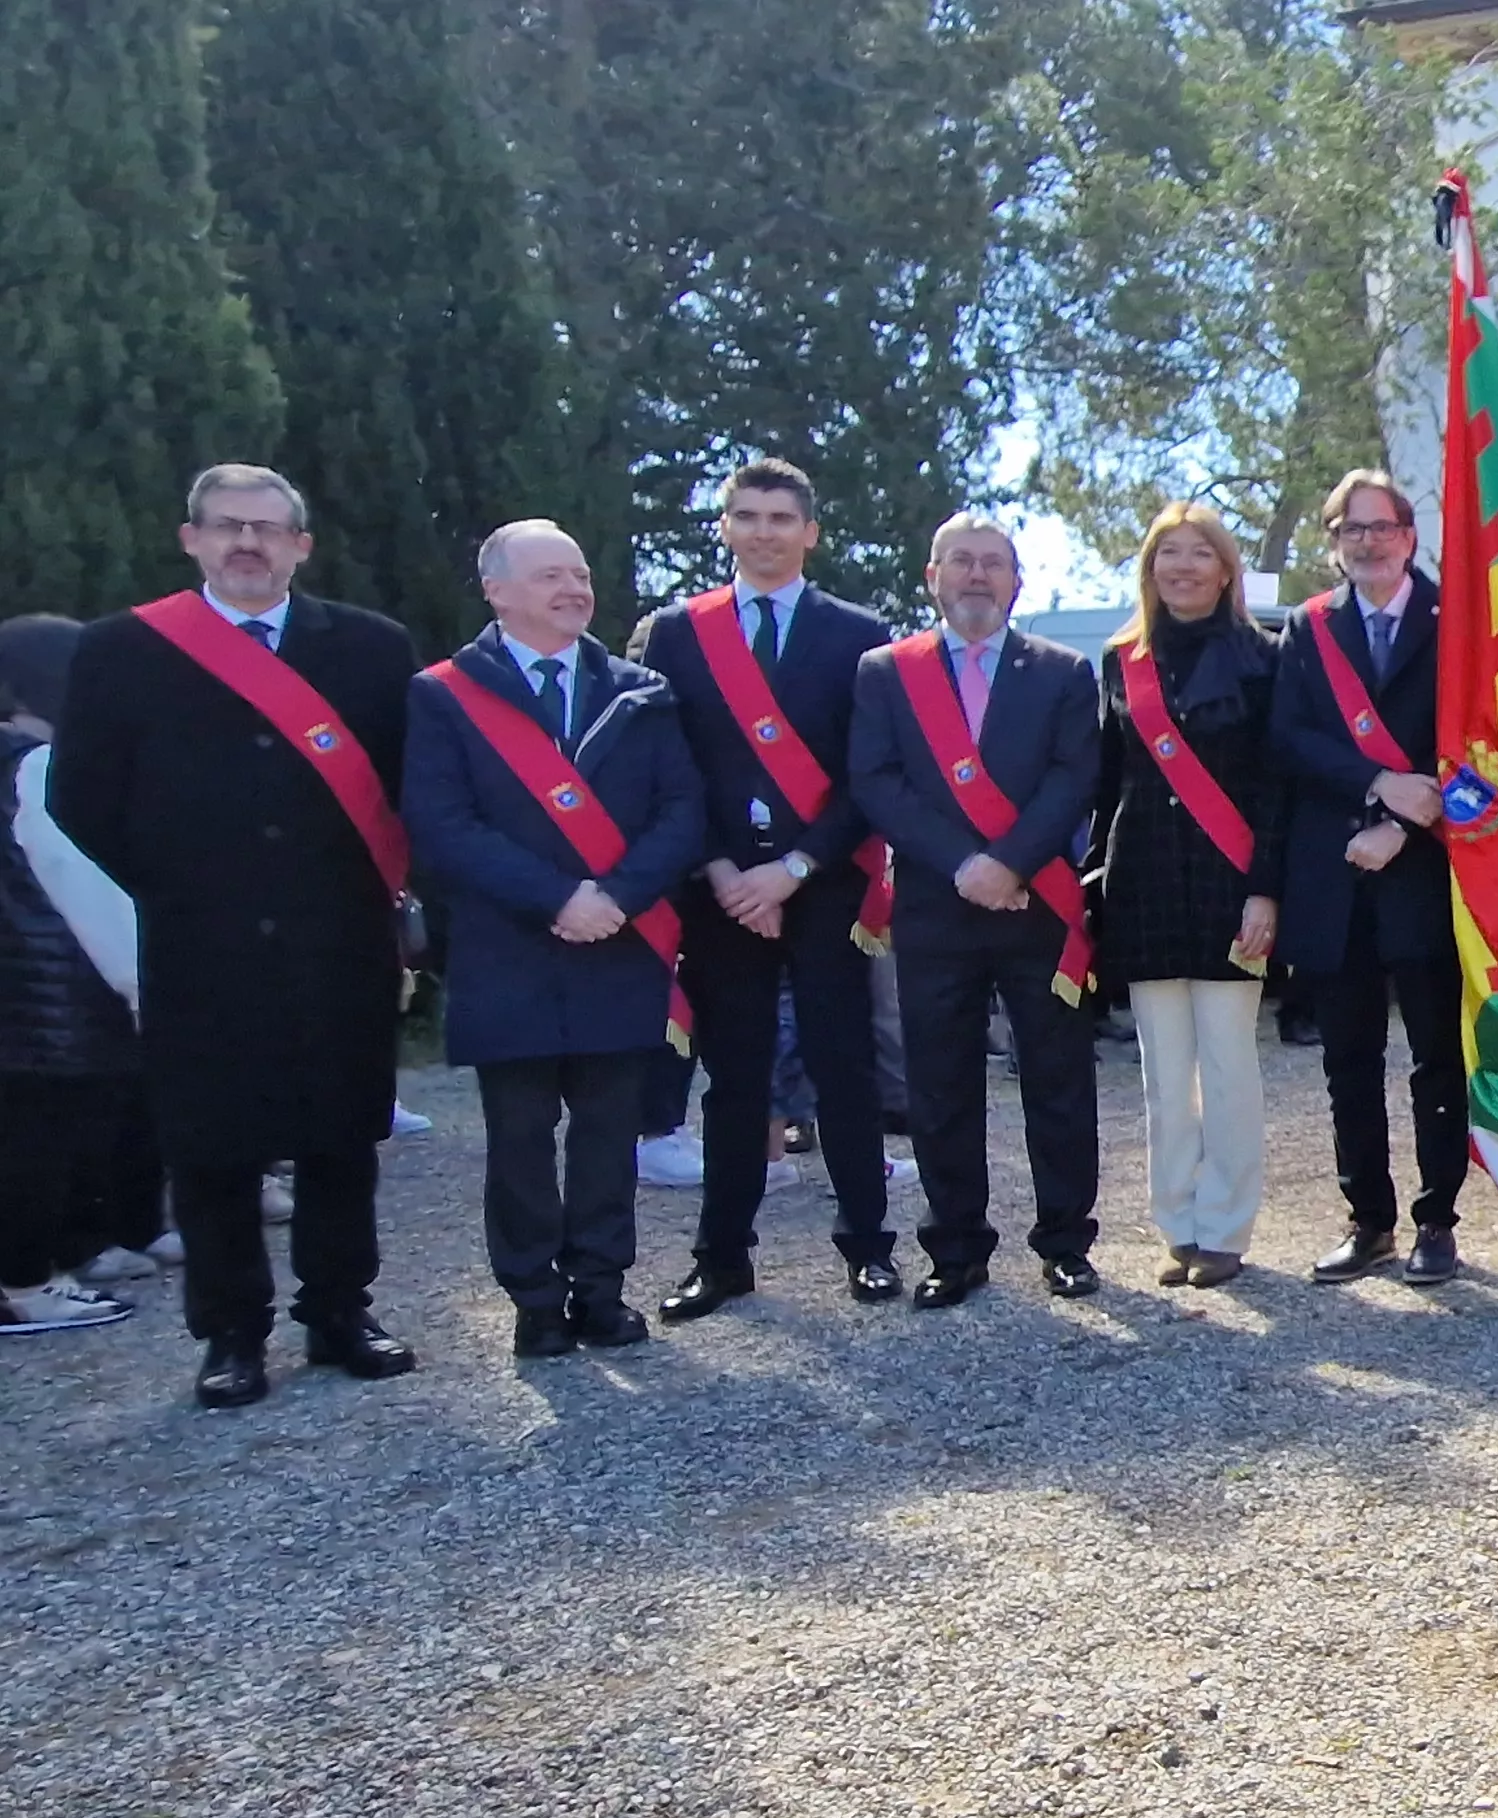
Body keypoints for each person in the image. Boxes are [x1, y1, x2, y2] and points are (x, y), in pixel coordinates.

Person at [51, 464, 418, 1407]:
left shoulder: (371, 648)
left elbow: (406, 786)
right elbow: (80, 798)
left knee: (341, 1135)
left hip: (337, 937)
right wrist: (180, 882)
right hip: (199, 941)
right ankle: (230, 1333)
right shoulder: (122, 649)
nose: (246, 543)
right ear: (192, 540)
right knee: (212, 1146)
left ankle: (340, 1311)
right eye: (227, 526)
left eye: (266, 528)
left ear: (301, 546)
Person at [401, 521, 706, 1358]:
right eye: (549, 577)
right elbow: (441, 823)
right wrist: (558, 898)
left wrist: (616, 897)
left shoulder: (640, 692)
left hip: (618, 942)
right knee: (520, 1140)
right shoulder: (444, 694)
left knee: (610, 1136)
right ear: (496, 590)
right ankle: (535, 1299)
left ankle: (601, 1290)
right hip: (509, 948)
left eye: (579, 575)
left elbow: (681, 810)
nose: (574, 590)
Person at [634, 458, 901, 1318]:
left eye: (781, 518)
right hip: (721, 891)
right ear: (725, 528)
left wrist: (795, 868)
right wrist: (718, 866)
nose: (764, 533)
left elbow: (869, 773)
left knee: (842, 1067)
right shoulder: (677, 632)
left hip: (820, 882)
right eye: (747, 516)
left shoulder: (859, 633)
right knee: (735, 1076)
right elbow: (669, 768)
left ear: (810, 532)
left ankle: (868, 1247)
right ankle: (721, 1259)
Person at [847, 513, 1105, 1307]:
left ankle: (1065, 1243)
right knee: (940, 1084)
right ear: (933, 577)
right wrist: (964, 865)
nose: (977, 575)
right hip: (937, 903)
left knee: (1057, 1079)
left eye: (993, 563)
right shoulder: (887, 672)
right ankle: (955, 1249)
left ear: (1016, 582)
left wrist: (1009, 863)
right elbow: (876, 780)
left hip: (1036, 902)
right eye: (961, 561)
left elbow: (1074, 777)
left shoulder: (1062, 671)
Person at [1270, 471, 1470, 1286]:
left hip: (1427, 869)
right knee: (1347, 1060)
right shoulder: (1307, 627)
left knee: (1436, 1058)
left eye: (1380, 527)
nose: (1367, 542)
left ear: (1409, 536)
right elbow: (1288, 739)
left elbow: (1480, 742)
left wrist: (1404, 824)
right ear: (1334, 542)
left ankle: (1437, 1220)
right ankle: (1369, 1220)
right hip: (1338, 873)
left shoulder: (1456, 621)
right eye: (1350, 529)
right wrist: (1377, 785)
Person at [1091, 503, 1283, 1289]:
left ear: (1226, 568)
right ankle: (1177, 1224)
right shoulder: (1120, 661)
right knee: (1164, 1078)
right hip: (1143, 882)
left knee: (1230, 1068)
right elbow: (1107, 784)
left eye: (1199, 552)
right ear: (1150, 568)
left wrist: (1266, 888)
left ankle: (1226, 1227)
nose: (1183, 566)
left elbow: (1275, 787)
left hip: (1229, 885)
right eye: (1168, 553)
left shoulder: (1264, 658)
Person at [0, 616, 153, 1334]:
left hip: (20, 992)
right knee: (43, 1138)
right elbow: (80, 883)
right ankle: (26, 1282)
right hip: (50, 995)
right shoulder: (41, 767)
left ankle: (56, 1259)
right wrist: (139, 982)